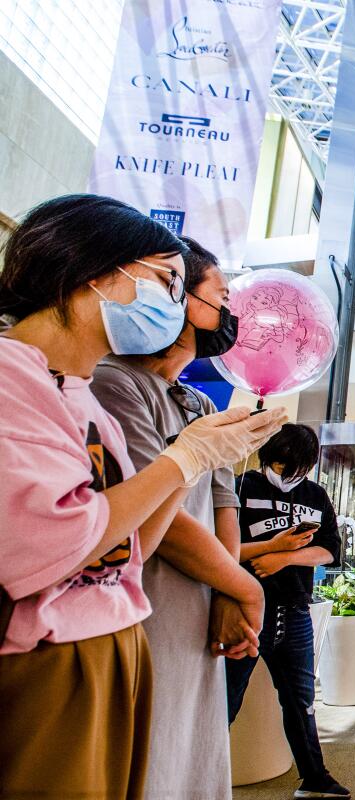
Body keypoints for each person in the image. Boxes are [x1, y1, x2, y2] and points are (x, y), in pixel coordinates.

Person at [0, 194, 284, 798]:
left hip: (115, 640)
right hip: (46, 650)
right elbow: (60, 541)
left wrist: (191, 462)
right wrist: (186, 459)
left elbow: (131, 545)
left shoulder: (79, 397)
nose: (177, 306)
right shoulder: (13, 380)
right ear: (94, 273)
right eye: (166, 282)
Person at [91, 236, 265, 800]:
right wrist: (244, 587)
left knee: (194, 756)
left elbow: (222, 506)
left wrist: (225, 597)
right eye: (221, 296)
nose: (228, 313)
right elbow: (154, 512)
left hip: (201, 611)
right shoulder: (114, 382)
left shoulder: (199, 404)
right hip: (145, 605)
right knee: (151, 759)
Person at [226, 424, 350, 798]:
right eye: (279, 466)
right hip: (242, 608)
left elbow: (331, 550)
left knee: (300, 700)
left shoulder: (315, 495)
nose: (285, 475)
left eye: (294, 468)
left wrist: (283, 557)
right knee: (225, 698)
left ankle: (314, 776)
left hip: (295, 611)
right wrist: (266, 549)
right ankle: (198, 776)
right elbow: (220, 548)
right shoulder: (241, 487)